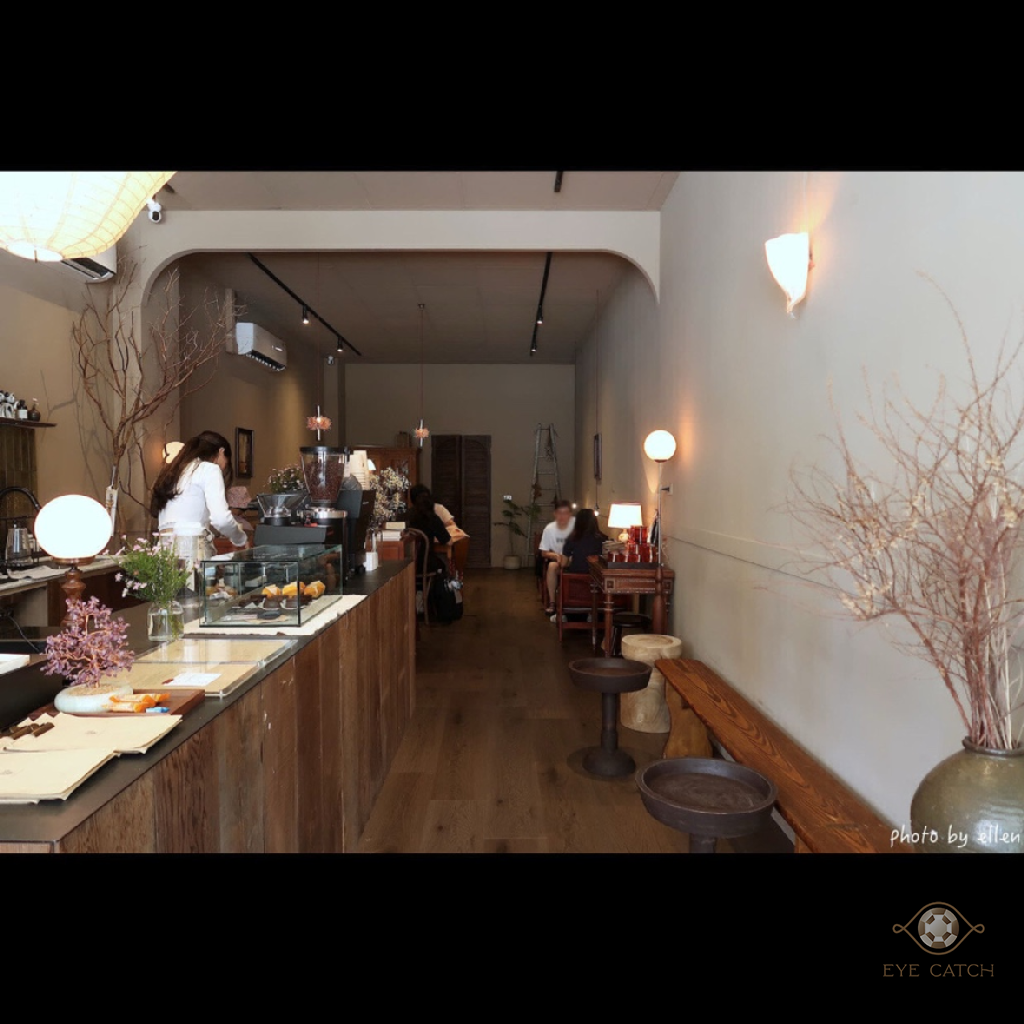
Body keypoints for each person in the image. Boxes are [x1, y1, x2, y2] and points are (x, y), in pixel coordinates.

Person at [150, 430, 248, 550]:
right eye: (226, 461)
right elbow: (221, 519)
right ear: (221, 451)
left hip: (164, 549)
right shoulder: (209, 469)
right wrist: (240, 538)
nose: (224, 467)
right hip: (192, 549)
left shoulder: (172, 471)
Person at [539, 499, 575, 614]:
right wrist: (555, 555)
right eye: (559, 513)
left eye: (565, 513)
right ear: (554, 513)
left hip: (575, 559)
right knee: (551, 567)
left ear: (570, 514)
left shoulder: (576, 525)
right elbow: (544, 552)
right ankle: (552, 602)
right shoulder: (549, 529)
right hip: (560, 560)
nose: (562, 516)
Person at [557, 508, 606, 573]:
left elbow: (563, 563)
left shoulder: (573, 538)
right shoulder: (602, 539)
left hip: (576, 574)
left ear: (577, 522)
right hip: (595, 575)